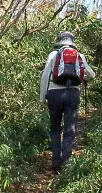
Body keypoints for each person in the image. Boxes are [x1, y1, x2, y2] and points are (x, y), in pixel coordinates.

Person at [39, 31, 95, 173]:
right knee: (70, 130)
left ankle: (56, 163)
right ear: (72, 41)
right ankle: (66, 164)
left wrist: (42, 96)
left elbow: (45, 75)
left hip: (54, 94)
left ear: (59, 41)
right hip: (72, 94)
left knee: (55, 129)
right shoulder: (79, 56)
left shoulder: (53, 54)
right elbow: (92, 74)